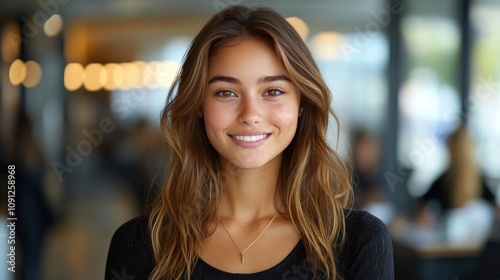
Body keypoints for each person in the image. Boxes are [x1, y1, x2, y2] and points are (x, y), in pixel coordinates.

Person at [105, 5, 393, 280]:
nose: (250, 115)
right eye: (226, 93)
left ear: (301, 103)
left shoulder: (358, 241)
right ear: (198, 107)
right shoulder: (137, 246)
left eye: (273, 91)